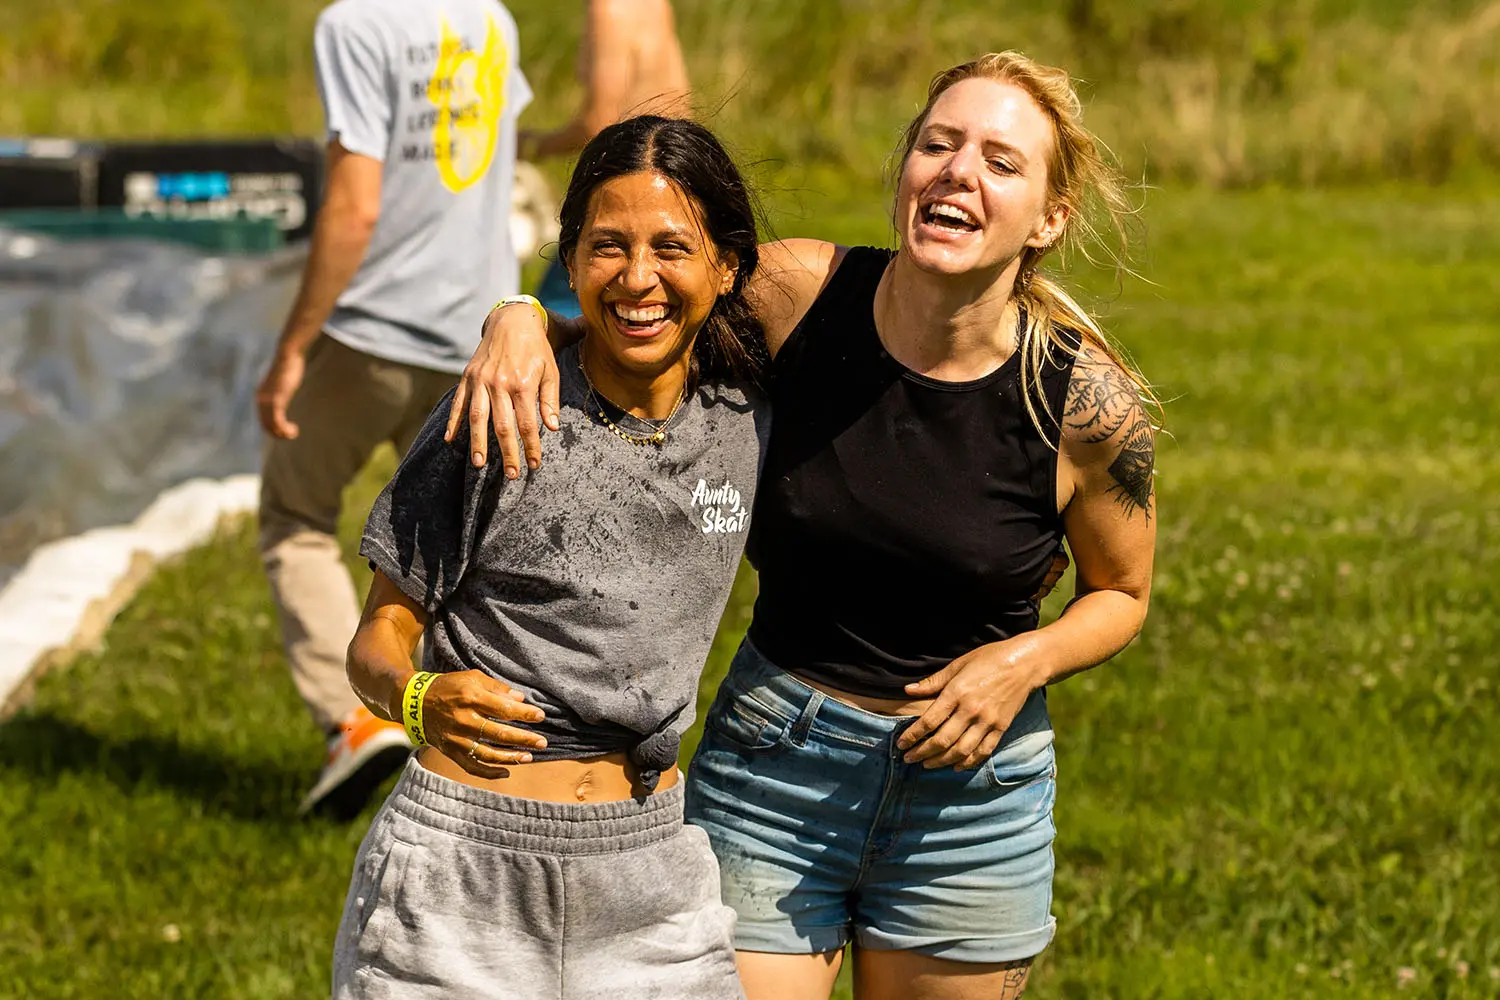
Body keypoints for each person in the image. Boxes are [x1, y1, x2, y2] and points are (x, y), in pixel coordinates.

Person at [447, 51, 1157, 1000]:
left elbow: (1121, 593)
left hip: (972, 800)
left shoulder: (1086, 406)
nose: (957, 172)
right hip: (776, 770)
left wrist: (1022, 662)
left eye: (1000, 161)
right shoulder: (797, 298)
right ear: (904, 171)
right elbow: (639, 294)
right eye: (937, 144)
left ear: (1049, 218)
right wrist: (522, 313)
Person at [332, 115, 770, 999]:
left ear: (725, 267)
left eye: (672, 247)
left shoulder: (751, 414)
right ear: (569, 262)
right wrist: (417, 697)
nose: (638, 278)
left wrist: (521, 310)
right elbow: (377, 635)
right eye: (607, 247)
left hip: (651, 881)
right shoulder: (495, 410)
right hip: (459, 873)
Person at [253, 0, 531, 817]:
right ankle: (477, 751)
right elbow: (492, 152)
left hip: (372, 330)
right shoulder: (491, 17)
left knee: (295, 515)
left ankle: (354, 724)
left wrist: (294, 346)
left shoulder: (355, 24)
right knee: (462, 555)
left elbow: (355, 205)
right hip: (475, 341)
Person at [522, 0, 693, 317]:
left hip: (627, 186)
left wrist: (532, 145)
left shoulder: (609, 8)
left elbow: (600, 121)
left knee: (553, 314)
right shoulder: (654, 5)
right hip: (669, 173)